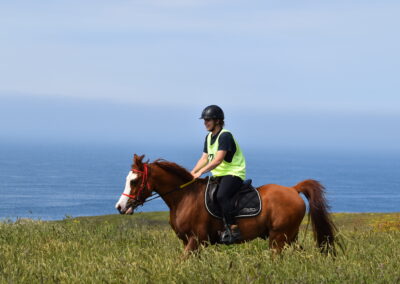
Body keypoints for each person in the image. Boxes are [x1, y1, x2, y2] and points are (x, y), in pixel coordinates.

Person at [191, 105, 246, 244]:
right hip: (219, 175)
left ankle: (233, 228)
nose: (205, 123)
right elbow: (204, 158)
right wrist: (192, 172)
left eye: (208, 120)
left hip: (233, 173)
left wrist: (201, 172)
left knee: (222, 195)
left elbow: (218, 159)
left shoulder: (225, 135)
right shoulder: (209, 137)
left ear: (217, 121)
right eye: (204, 120)